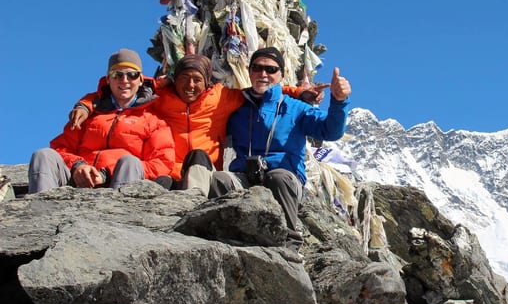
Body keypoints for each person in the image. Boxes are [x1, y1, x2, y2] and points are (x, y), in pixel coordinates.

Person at [69, 54, 325, 194]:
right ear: (173, 80)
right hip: (165, 172)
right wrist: (86, 104)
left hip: (202, 172)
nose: (190, 86)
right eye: (184, 78)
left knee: (199, 157)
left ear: (207, 82)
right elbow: (122, 91)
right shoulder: (160, 97)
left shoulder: (222, 98)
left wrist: (298, 93)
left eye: (197, 80)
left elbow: (262, 89)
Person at [209, 47, 351, 234]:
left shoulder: (296, 109)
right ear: (249, 72)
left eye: (271, 70)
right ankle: (224, 237)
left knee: (278, 177)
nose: (263, 74)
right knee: (220, 179)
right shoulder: (237, 108)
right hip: (245, 177)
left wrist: (339, 101)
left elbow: (330, 131)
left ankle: (288, 241)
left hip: (285, 180)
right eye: (257, 68)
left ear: (282, 75)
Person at [28, 49, 175, 193]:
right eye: (117, 74)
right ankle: (41, 211)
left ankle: (119, 214)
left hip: (121, 181)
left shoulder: (154, 120)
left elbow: (162, 162)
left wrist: (107, 173)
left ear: (141, 79)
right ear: (108, 78)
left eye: (132, 75)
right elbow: (61, 148)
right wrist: (78, 166)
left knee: (130, 162)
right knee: (43, 155)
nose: (125, 80)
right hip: (78, 179)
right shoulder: (89, 114)